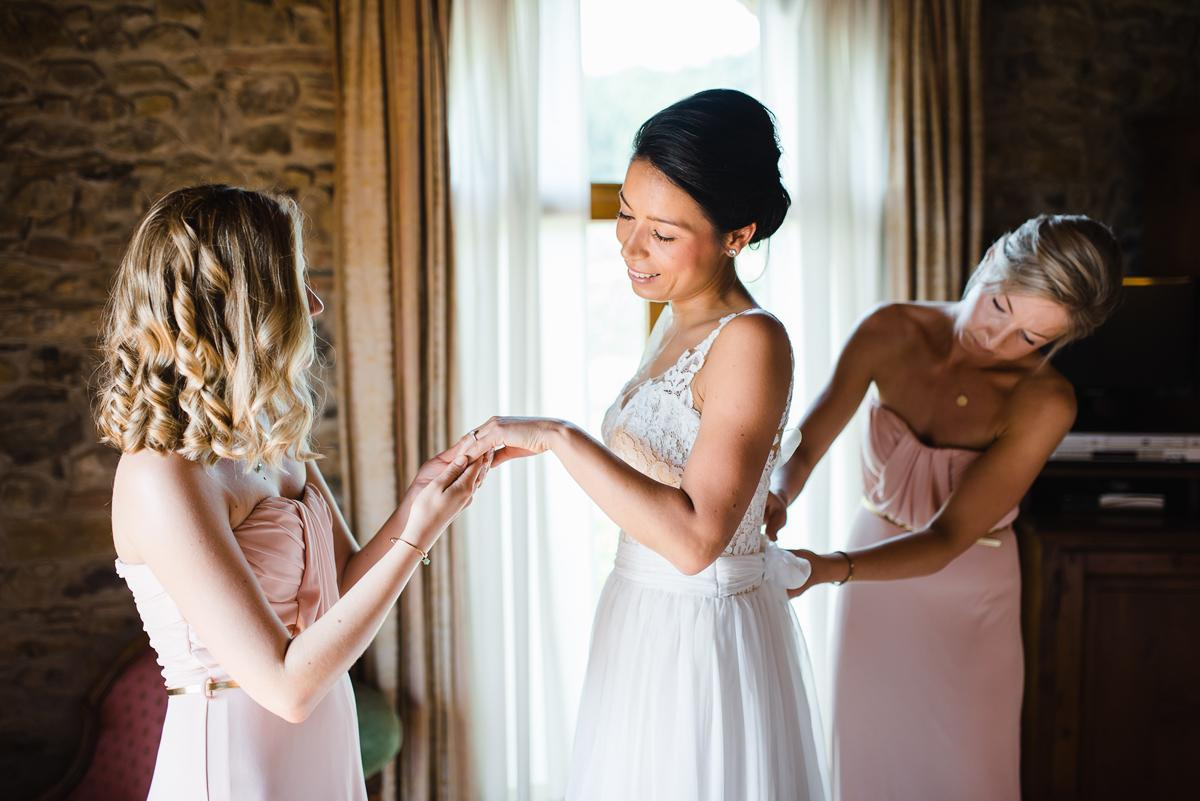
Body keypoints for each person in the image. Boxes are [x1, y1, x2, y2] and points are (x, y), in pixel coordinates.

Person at [458, 89, 828, 801]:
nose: (630, 245)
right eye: (626, 214)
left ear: (736, 235)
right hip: (640, 613)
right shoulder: (672, 322)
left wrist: (559, 437)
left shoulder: (751, 339)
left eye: (661, 232)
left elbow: (694, 542)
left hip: (700, 634)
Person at [94, 185, 489, 800]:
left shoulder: (268, 437)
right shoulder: (161, 476)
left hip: (323, 742)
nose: (314, 302)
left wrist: (423, 497)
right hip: (233, 759)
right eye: (292, 281)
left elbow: (344, 587)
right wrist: (417, 536)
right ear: (236, 303)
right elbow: (285, 686)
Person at [763, 214, 1123, 801]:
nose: (999, 340)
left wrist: (828, 567)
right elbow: (808, 442)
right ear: (987, 264)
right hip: (871, 582)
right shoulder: (890, 328)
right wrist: (777, 494)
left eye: (1032, 339)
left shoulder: (1045, 399)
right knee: (869, 758)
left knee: (968, 772)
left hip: (966, 591)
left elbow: (949, 537)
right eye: (1001, 306)